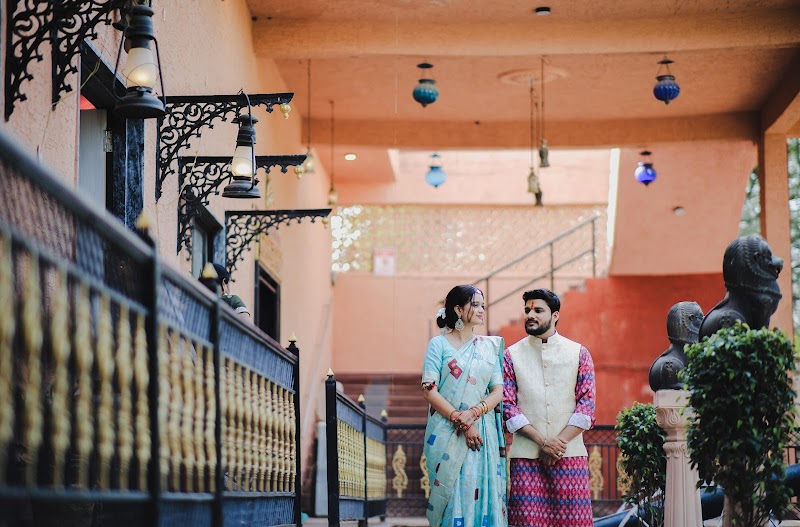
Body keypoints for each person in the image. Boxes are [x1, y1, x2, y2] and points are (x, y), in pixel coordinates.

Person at [502, 288, 596, 527]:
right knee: (526, 522)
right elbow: (507, 406)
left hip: (570, 455)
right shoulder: (511, 355)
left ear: (555, 315)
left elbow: (587, 405)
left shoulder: (579, 353)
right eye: (527, 310)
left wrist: (557, 444)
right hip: (526, 457)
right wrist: (543, 442)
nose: (530, 315)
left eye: (538, 310)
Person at [421, 285, 508, 527]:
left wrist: (473, 413)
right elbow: (429, 389)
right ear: (458, 310)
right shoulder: (438, 345)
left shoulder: (489, 347)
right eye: (475, 305)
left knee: (483, 488)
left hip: (482, 433)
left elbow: (498, 390)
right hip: (448, 431)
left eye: (483, 305)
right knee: (453, 492)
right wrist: (461, 420)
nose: (481, 310)